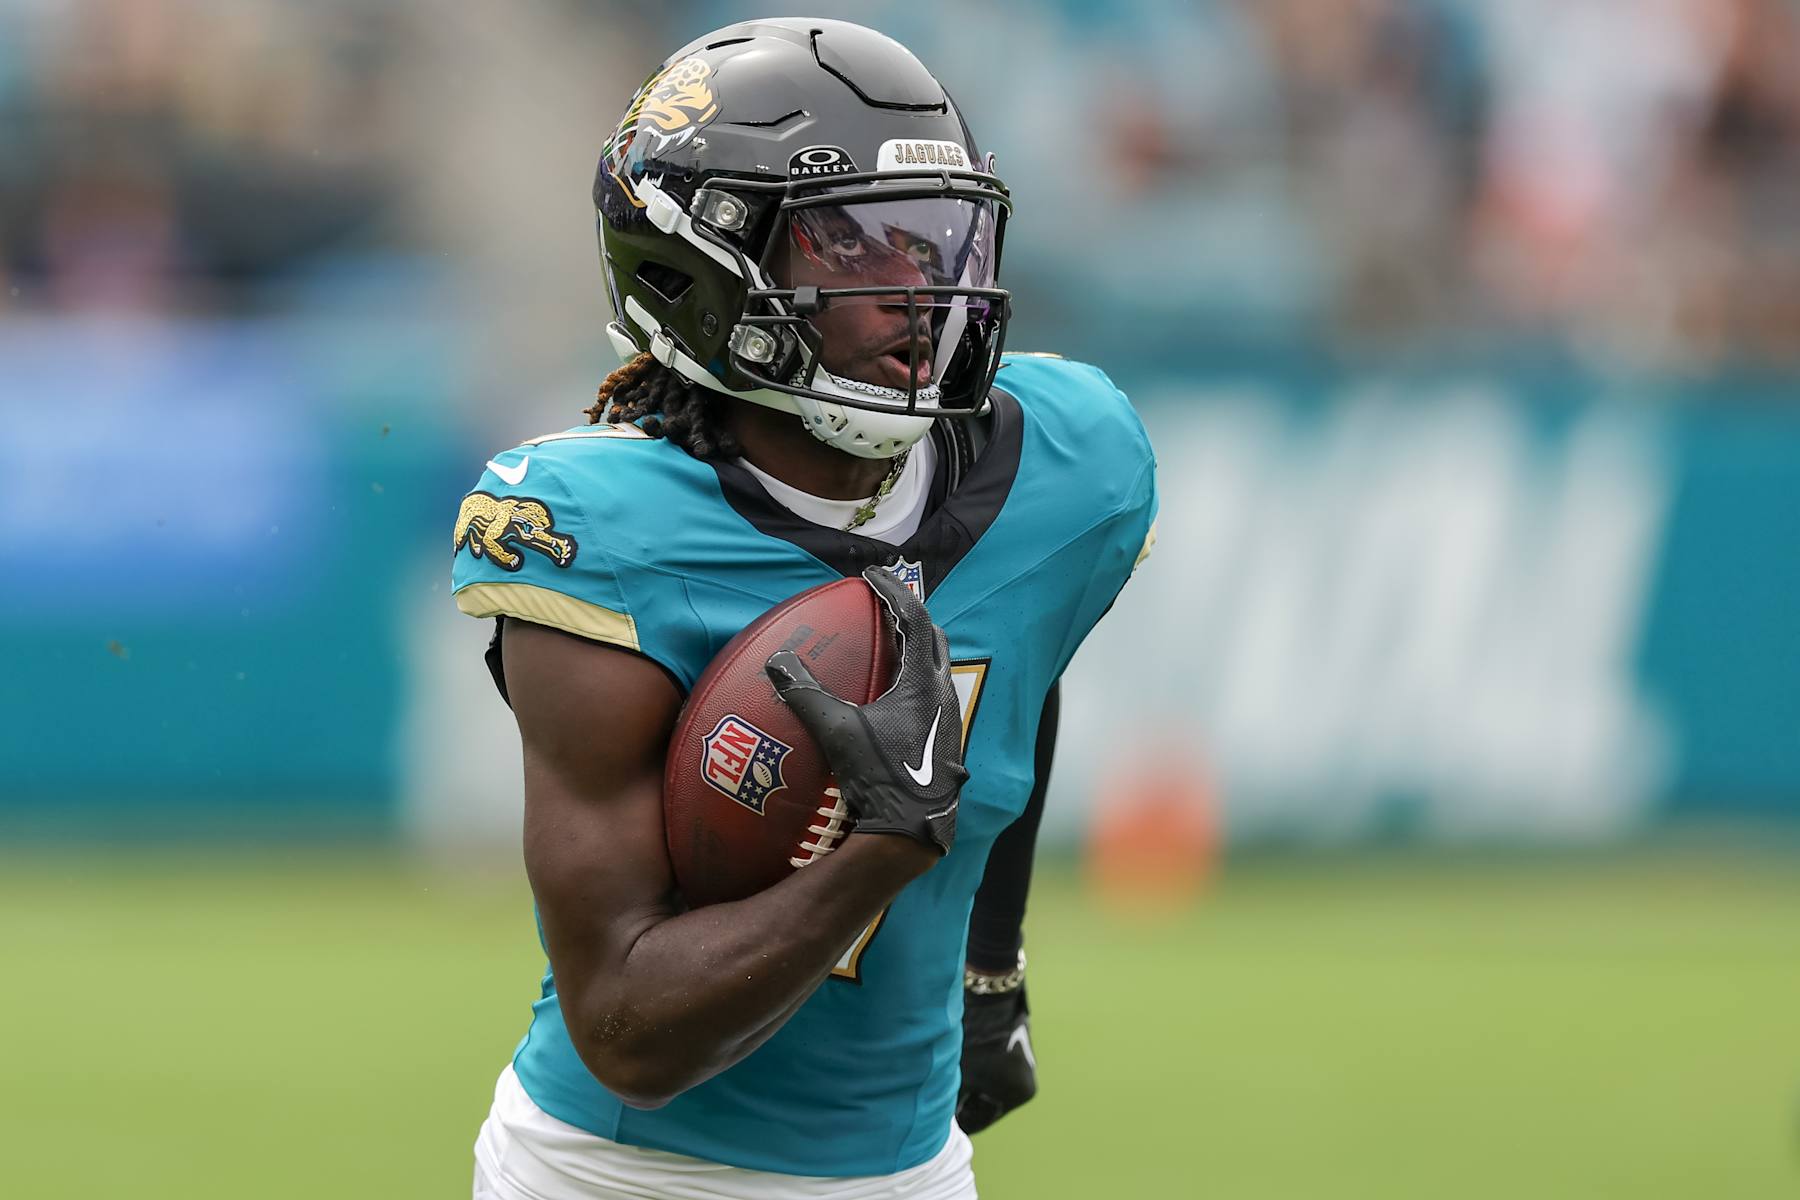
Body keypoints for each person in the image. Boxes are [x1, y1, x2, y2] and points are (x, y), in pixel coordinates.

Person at [451, 18, 1157, 1199]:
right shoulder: (598, 529)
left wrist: (990, 972)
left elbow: (1014, 667)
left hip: (914, 1167)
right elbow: (628, 1031)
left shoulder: (1071, 463)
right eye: (857, 249)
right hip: (624, 1174)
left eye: (939, 240)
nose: (922, 291)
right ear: (699, 272)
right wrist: (877, 851)